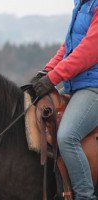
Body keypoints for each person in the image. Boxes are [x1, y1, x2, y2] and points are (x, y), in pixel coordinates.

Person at [32, 0, 98, 199]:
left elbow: (88, 51)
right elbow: (68, 47)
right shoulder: (81, 4)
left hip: (93, 88)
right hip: (76, 87)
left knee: (67, 137)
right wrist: (46, 70)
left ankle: (85, 195)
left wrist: (52, 78)